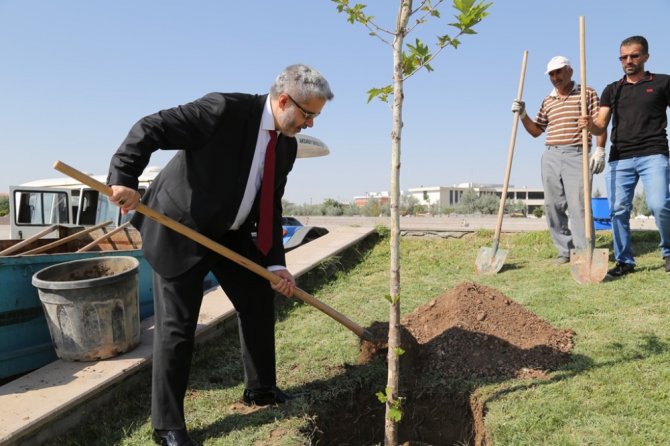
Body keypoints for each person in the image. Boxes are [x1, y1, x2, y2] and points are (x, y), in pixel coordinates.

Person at [106, 64, 334, 446]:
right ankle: (168, 428)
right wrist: (124, 180)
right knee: (178, 328)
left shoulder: (287, 146)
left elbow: (269, 206)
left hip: (228, 233)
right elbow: (150, 127)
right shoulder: (223, 110)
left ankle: (260, 389)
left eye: (315, 116)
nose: (310, 123)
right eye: (308, 114)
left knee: (259, 298)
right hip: (178, 227)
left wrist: (276, 263)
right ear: (282, 100)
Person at [579, 35, 670, 277]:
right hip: (620, 157)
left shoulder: (662, 83)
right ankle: (625, 261)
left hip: (654, 153)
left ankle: (668, 252)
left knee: (659, 205)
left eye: (634, 56)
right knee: (618, 210)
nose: (628, 61)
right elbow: (601, 125)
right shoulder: (613, 89)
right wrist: (590, 125)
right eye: (623, 57)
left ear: (646, 57)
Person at [512, 56, 608, 264]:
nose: (555, 77)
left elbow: (600, 122)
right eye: (551, 74)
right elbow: (537, 131)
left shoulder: (587, 93)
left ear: (570, 71)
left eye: (559, 72)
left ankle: (584, 252)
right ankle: (565, 250)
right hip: (551, 154)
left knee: (579, 206)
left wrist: (600, 149)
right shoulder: (548, 101)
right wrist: (523, 115)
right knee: (552, 205)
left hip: (577, 153)